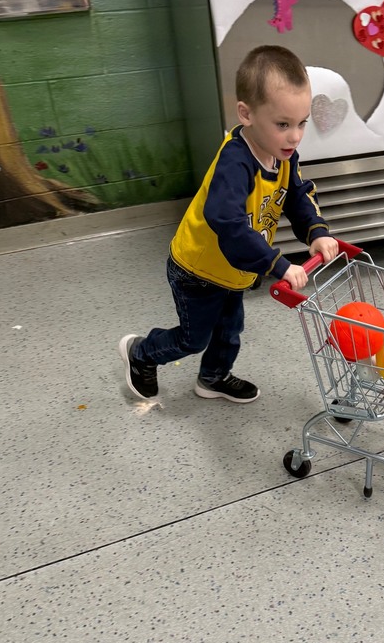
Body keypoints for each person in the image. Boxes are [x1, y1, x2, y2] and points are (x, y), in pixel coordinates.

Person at [119, 45, 338, 403]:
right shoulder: (235, 163)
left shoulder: (283, 154)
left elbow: (298, 195)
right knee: (194, 338)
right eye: (283, 124)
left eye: (301, 123)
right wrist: (277, 264)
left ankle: (213, 377)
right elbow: (230, 224)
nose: (295, 136)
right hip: (198, 269)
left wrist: (317, 232)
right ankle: (141, 353)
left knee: (230, 327)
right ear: (246, 114)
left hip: (233, 268)